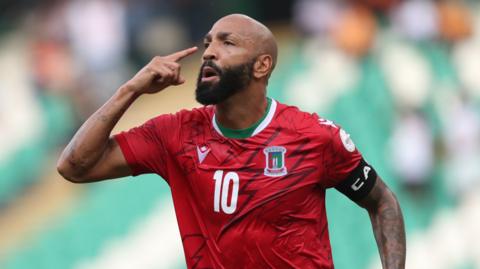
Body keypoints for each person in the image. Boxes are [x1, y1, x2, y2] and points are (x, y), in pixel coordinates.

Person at [57, 14, 406, 269]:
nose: (209, 52)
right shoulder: (175, 134)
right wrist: (129, 90)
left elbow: (381, 202)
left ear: (261, 66)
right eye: (208, 41)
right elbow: (74, 166)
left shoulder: (314, 137)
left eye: (227, 42)